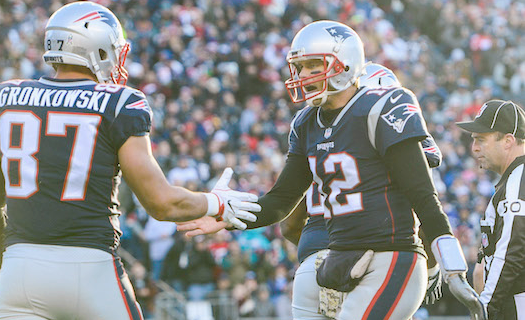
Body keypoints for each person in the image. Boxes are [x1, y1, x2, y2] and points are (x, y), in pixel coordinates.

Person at [0, 2, 259, 320]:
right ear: (97, 48)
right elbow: (161, 203)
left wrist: (21, 262)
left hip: (19, 272)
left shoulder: (5, 98)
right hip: (90, 269)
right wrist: (216, 204)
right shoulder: (119, 103)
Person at [177, 20, 484, 320]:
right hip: (337, 254)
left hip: (392, 254)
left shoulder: (380, 107)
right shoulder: (306, 124)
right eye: (299, 68)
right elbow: (281, 201)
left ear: (346, 64)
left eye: (314, 66)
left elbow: (422, 195)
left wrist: (451, 264)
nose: (304, 76)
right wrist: (226, 213)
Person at [278, 63, 444, 319]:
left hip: (316, 265)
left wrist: (318, 250)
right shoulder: (385, 134)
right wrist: (432, 268)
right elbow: (419, 208)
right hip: (375, 258)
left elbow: (288, 225)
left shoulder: (317, 135)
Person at [457, 99, 525, 319]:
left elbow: (510, 255)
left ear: (508, 141)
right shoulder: (514, 180)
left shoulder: (517, 182)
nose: (474, 147)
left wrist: (485, 309)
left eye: (481, 139)